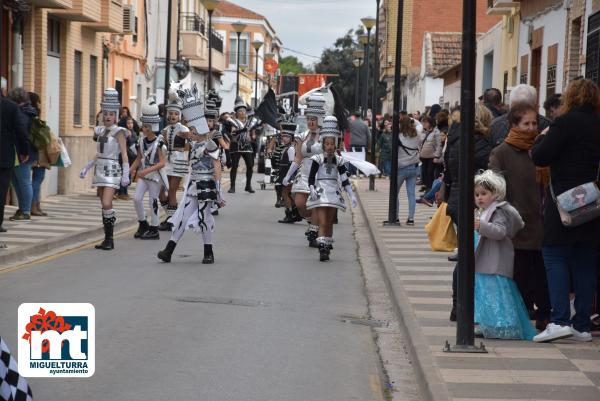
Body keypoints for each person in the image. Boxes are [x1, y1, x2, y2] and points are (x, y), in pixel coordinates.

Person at [531, 78, 600, 343]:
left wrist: (542, 138)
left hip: (565, 202)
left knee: (554, 257)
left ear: (570, 98)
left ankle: (559, 320)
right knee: (585, 261)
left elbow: (540, 157)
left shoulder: (563, 123)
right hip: (593, 203)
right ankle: (581, 325)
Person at [488, 103, 551, 330]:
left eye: (534, 123)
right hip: (517, 224)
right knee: (521, 275)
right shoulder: (501, 152)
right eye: (526, 123)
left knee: (543, 274)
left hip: (543, 222)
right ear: (514, 125)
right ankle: (520, 318)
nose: (531, 128)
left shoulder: (541, 149)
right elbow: (493, 186)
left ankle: (545, 316)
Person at [158, 85, 224, 264]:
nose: (191, 133)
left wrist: (219, 191)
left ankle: (208, 252)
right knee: (182, 217)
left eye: (193, 131)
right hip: (193, 186)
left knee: (205, 218)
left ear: (200, 131)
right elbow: (182, 133)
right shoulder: (194, 144)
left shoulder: (209, 145)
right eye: (191, 131)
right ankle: (168, 251)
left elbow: (217, 166)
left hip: (207, 186)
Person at [473, 170, 535, 340]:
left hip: (495, 260)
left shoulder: (498, 211)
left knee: (498, 293)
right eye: (477, 194)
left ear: (495, 194)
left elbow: (500, 232)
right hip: (486, 259)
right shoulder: (484, 211)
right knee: (486, 292)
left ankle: (504, 325)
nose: (479, 197)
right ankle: (488, 323)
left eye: (484, 194)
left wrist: (482, 226)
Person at [445, 104, 493, 319]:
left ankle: (459, 305)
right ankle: (462, 306)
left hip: (457, 199)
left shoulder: (455, 139)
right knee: (470, 257)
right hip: (471, 203)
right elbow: (488, 171)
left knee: (467, 254)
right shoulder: (478, 143)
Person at [79, 88, 130, 250]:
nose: (107, 117)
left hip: (112, 169)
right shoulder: (100, 130)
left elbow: (124, 154)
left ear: (116, 115)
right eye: (105, 114)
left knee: (107, 202)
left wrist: (126, 175)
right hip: (99, 168)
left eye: (111, 114)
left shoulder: (119, 132)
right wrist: (87, 167)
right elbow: (98, 153)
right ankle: (107, 238)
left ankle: (110, 238)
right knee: (103, 204)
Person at [306, 116, 358, 261]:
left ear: (335, 145)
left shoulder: (340, 161)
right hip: (321, 191)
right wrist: (312, 189)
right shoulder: (317, 159)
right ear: (323, 145)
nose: (329, 146)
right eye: (327, 144)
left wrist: (351, 194)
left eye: (331, 144)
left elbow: (344, 179)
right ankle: (322, 249)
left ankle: (327, 246)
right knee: (322, 221)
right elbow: (311, 177)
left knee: (329, 222)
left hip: (334, 193)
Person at [282, 93, 326, 247]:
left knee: (315, 203)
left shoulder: (327, 136)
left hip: (320, 173)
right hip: (305, 173)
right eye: (308, 119)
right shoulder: (302, 136)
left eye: (313, 119)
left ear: (319, 119)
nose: (310, 122)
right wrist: (288, 175)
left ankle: (313, 233)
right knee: (300, 204)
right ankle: (312, 222)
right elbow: (298, 157)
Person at [131, 99, 167, 240]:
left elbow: (163, 163)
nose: (144, 129)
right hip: (144, 175)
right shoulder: (141, 141)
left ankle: (154, 228)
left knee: (152, 201)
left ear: (152, 126)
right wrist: (129, 171)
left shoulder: (160, 142)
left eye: (146, 127)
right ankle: (142, 223)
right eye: (143, 126)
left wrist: (145, 171)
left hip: (155, 176)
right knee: (136, 198)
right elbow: (139, 158)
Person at [159, 87, 189, 231]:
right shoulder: (164, 130)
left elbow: (190, 145)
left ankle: (171, 219)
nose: (172, 116)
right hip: (166, 161)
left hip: (178, 161)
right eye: (170, 113)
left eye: (175, 114)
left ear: (179, 115)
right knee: (161, 192)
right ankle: (173, 215)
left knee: (171, 191)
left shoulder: (183, 129)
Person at [0, 95, 29, 239]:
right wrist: (24, 151)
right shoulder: (11, 107)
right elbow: (21, 131)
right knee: (1, 192)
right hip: (4, 157)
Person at [8, 88, 37, 221]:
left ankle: (25, 210)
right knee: (17, 182)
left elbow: (22, 134)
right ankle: (22, 208)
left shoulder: (23, 113)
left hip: (23, 153)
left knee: (24, 182)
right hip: (21, 152)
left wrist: (23, 152)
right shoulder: (27, 111)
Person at [227, 97, 255, 193]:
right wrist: (242, 130)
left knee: (250, 165)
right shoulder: (233, 121)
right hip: (236, 145)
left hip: (247, 145)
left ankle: (248, 185)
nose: (243, 112)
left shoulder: (248, 122)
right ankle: (232, 186)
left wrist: (252, 135)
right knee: (234, 166)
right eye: (240, 111)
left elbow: (252, 132)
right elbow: (233, 133)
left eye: (244, 110)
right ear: (236, 112)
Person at [396, 115, 421, 226]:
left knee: (394, 194)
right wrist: (412, 119)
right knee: (411, 194)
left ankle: (395, 217)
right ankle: (411, 219)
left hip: (401, 168)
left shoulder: (398, 136)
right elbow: (419, 124)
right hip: (414, 168)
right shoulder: (417, 134)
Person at [28, 92, 50, 217]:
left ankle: (36, 205)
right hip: (38, 151)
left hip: (36, 151)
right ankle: (34, 206)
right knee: (37, 179)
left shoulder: (29, 115)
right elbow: (41, 135)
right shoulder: (33, 115)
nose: (41, 104)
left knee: (37, 179)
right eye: (39, 101)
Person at [277, 123, 302, 224]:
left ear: (291, 137)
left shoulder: (291, 148)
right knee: (287, 194)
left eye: (287, 136)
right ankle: (294, 213)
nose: (284, 138)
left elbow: (292, 163)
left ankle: (289, 214)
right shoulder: (286, 147)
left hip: (288, 174)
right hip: (284, 173)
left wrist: (289, 177)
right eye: (283, 136)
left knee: (285, 194)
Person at [419, 116, 441, 191]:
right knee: (424, 174)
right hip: (423, 156)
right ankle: (427, 190)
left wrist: (437, 156)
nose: (424, 124)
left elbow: (439, 145)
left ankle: (430, 190)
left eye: (425, 122)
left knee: (430, 173)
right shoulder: (423, 131)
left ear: (430, 123)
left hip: (432, 157)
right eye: (423, 122)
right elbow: (420, 143)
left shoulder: (436, 132)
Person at [347, 110, 371, 176]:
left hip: (353, 143)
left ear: (354, 116)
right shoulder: (364, 124)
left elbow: (347, 128)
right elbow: (369, 135)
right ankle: (361, 173)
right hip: (362, 144)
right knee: (361, 159)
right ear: (360, 116)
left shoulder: (351, 123)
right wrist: (369, 145)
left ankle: (353, 173)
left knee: (353, 158)